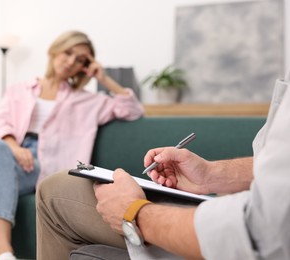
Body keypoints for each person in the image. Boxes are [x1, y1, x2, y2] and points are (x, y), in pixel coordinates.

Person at [36, 72, 290, 260]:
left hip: (244, 237)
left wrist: (135, 213)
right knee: (61, 187)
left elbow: (266, 232)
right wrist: (211, 175)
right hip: (247, 206)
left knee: (55, 195)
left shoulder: (87, 100)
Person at [0, 30, 143, 260]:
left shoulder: (87, 100)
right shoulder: (20, 89)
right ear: (55, 50)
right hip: (8, 155)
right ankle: (4, 254)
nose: (70, 62)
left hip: (43, 167)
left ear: (85, 67)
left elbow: (132, 110)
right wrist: (14, 147)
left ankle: (2, 255)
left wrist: (103, 78)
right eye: (68, 53)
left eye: (80, 59)